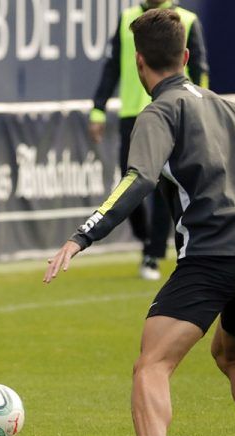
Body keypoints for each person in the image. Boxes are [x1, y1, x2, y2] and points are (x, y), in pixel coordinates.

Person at [45, 9, 235, 436]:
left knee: (152, 366)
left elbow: (139, 178)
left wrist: (82, 235)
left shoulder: (159, 112)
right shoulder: (224, 106)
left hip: (212, 259)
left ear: (139, 62)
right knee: (231, 355)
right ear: (185, 55)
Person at [88, 0, 209, 280]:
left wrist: (203, 109)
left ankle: (153, 255)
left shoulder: (186, 20)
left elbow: (200, 69)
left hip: (174, 113)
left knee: (164, 187)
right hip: (132, 114)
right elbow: (112, 66)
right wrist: (98, 108)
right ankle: (145, 240)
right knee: (130, 182)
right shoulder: (127, 19)